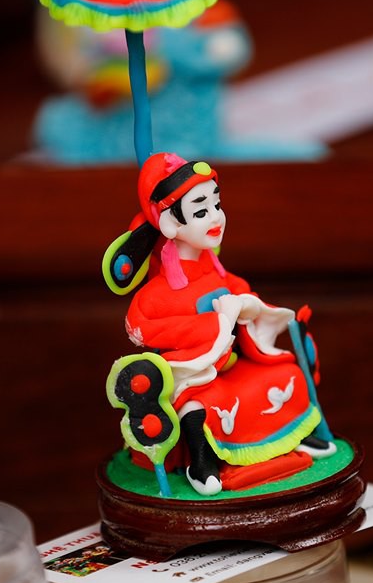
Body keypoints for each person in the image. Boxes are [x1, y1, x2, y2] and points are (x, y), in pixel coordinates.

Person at [104, 152, 335, 496]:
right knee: (198, 407)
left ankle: (292, 436)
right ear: (171, 224)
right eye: (201, 211)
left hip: (233, 365)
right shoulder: (156, 293)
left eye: (216, 204)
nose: (215, 217)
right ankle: (202, 460)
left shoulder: (217, 272)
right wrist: (218, 322)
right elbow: (142, 328)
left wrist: (247, 307)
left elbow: (246, 295)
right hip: (195, 376)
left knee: (285, 374)